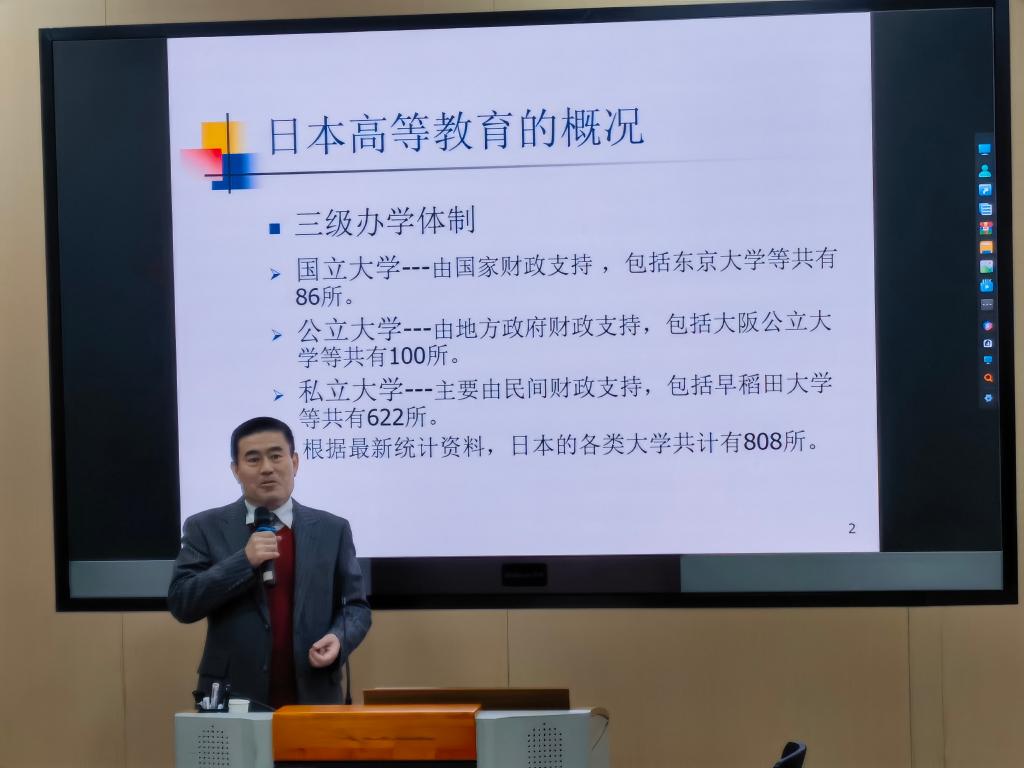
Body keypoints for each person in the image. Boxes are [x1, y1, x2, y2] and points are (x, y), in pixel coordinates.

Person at [168, 416, 370, 708]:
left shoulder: (332, 529)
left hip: (313, 692)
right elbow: (182, 602)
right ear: (236, 470)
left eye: (276, 456)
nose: (267, 468)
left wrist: (339, 639)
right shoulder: (205, 527)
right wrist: (244, 561)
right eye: (253, 459)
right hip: (232, 697)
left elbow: (356, 607)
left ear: (295, 462)